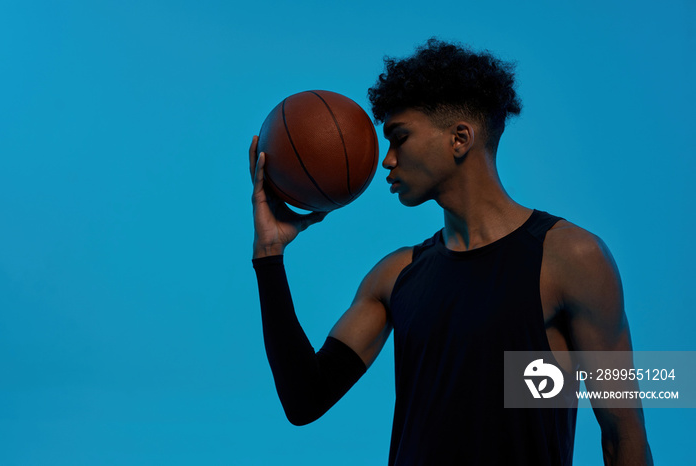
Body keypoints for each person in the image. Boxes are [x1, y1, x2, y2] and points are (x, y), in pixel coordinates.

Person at [250, 39, 653, 465]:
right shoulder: (394, 275)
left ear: (460, 138)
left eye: (399, 138)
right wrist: (269, 254)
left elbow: (623, 437)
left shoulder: (571, 258)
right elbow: (305, 399)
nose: (386, 161)